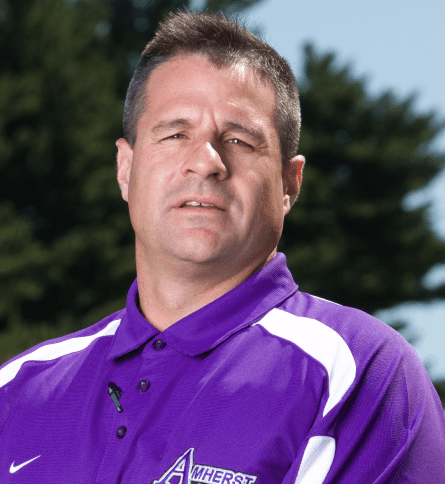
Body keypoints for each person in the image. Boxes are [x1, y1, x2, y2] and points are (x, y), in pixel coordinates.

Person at [0, 11, 444, 484]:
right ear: (125, 168)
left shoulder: (360, 373)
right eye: (175, 134)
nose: (206, 162)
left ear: (290, 184)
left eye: (239, 140)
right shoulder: (14, 390)